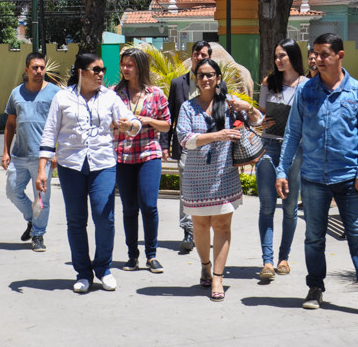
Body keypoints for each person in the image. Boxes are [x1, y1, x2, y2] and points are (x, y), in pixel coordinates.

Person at [275, 33, 358, 314]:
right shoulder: (307, 92)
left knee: (357, 234)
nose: (316, 59)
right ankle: (315, 288)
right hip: (314, 178)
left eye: (323, 54)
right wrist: (282, 170)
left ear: (340, 56)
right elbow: (293, 133)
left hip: (350, 178)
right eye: (314, 53)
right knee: (314, 237)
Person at [36, 53, 142, 294]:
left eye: (103, 70)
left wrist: (130, 126)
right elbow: (49, 133)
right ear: (82, 72)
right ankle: (83, 273)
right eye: (96, 70)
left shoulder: (110, 97)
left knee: (104, 218)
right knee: (76, 220)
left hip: (103, 164)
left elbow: (133, 122)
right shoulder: (62, 98)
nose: (101, 74)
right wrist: (42, 169)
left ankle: (103, 268)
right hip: (70, 165)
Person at [176, 58, 260, 302]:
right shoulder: (187, 108)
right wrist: (218, 135)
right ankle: (205, 263)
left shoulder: (229, 104)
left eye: (210, 75)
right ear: (196, 79)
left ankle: (218, 277)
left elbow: (258, 122)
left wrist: (249, 107)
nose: (205, 79)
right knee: (200, 227)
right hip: (196, 177)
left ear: (218, 78)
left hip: (225, 176)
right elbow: (185, 139)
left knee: (222, 226)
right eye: (201, 75)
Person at [161, 40, 226, 252]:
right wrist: (165, 144)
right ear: (192, 56)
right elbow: (170, 117)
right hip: (187, 146)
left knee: (211, 190)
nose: (200, 57)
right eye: (197, 54)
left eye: (205, 54)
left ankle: (210, 228)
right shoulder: (177, 83)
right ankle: (189, 229)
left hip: (215, 150)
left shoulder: (217, 84)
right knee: (186, 191)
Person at [113, 48, 171, 274]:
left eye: (130, 65)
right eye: (123, 65)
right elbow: (105, 122)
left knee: (149, 205)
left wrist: (145, 120)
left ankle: (152, 255)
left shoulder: (156, 94)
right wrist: (119, 124)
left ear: (140, 67)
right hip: (122, 156)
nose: (125, 69)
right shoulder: (113, 93)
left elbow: (166, 124)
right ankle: (132, 255)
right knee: (129, 208)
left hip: (149, 154)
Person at [255, 39, 307, 280]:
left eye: (283, 56)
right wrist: (258, 120)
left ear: (293, 57)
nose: (278, 60)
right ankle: (267, 261)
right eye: (276, 56)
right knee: (266, 205)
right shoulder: (269, 83)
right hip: (268, 146)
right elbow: (261, 114)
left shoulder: (307, 86)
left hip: (295, 149)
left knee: (289, 207)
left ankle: (283, 257)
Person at [2, 52, 61, 252]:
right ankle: (31, 220)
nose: (39, 71)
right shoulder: (16, 93)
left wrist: (56, 152)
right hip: (19, 154)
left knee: (42, 198)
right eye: (35, 68)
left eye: (42, 67)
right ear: (26, 70)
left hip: (42, 156)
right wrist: (6, 152)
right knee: (12, 191)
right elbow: (10, 125)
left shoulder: (55, 93)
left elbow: (62, 125)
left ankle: (38, 234)